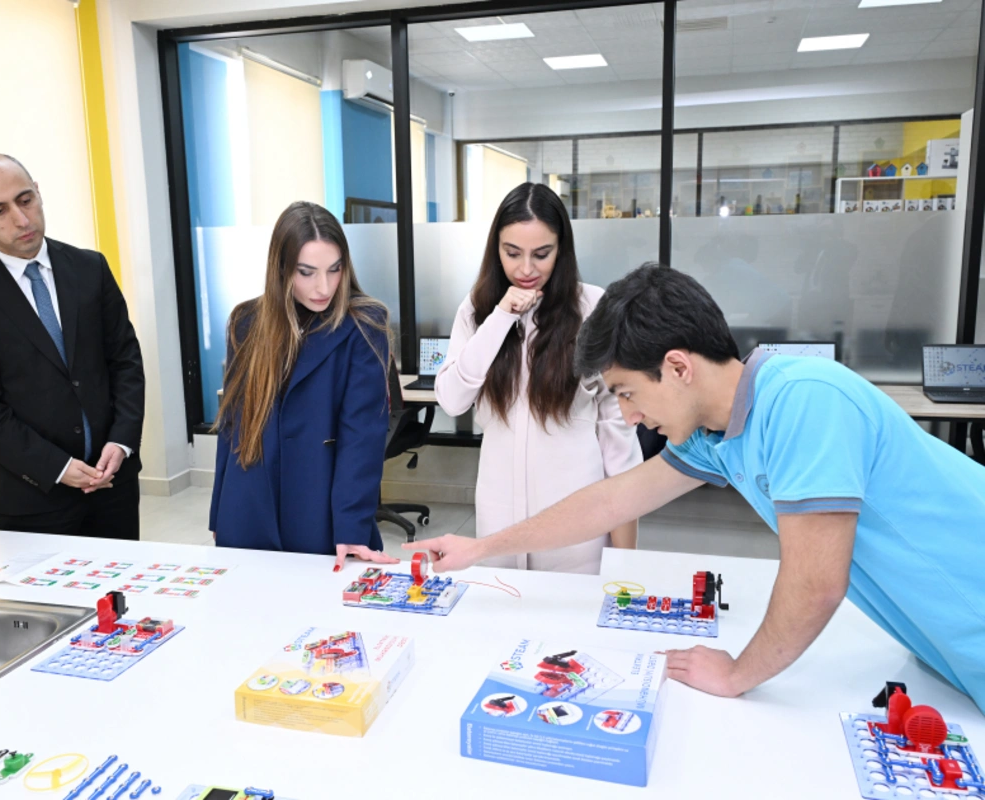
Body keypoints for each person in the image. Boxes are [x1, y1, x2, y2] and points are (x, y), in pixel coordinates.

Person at [409, 263, 985, 712]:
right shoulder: (716, 434)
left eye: (627, 392)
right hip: (944, 645)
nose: (628, 416)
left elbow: (816, 584)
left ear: (679, 367)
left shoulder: (805, 401)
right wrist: (481, 548)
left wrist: (736, 673)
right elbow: (611, 500)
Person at [0, 154, 145, 539]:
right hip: (35, 496)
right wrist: (57, 467)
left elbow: (125, 361)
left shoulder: (90, 268)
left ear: (38, 192)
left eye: (25, 200)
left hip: (113, 482)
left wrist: (122, 440)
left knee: (122, 581)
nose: (21, 219)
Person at [434, 182, 640, 574]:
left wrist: (626, 558)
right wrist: (501, 317)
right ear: (496, 249)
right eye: (512, 253)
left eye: (541, 254)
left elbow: (618, 434)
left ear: (561, 250)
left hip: (577, 516)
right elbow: (452, 399)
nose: (526, 269)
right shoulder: (477, 310)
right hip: (499, 516)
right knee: (503, 606)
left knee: (572, 609)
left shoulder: (592, 307)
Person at [210, 201, 398, 572]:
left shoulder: (364, 324)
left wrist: (352, 525)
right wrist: (220, 510)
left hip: (321, 507)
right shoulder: (245, 322)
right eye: (307, 272)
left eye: (334, 269)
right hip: (248, 501)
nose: (323, 287)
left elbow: (362, 436)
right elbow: (232, 425)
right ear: (281, 268)